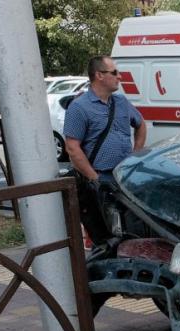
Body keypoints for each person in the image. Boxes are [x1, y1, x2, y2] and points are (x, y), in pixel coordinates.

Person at [64, 55, 146, 242]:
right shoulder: (79, 107)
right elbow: (72, 148)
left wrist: (136, 155)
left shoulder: (121, 102)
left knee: (130, 231)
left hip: (124, 177)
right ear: (99, 75)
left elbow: (141, 125)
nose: (120, 77)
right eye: (114, 73)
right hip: (99, 181)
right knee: (104, 236)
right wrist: (95, 179)